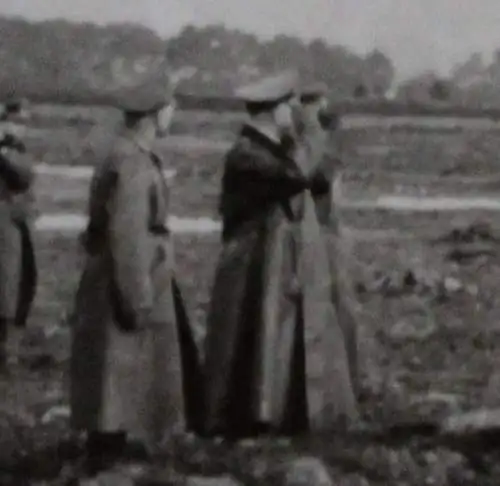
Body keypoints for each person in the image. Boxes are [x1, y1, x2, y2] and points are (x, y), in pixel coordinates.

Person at [203, 70, 359, 440]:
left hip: (271, 261)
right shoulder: (247, 154)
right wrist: (313, 133)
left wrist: (329, 144)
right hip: (249, 265)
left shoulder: (273, 148)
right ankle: (245, 420)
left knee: (273, 339)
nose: (295, 110)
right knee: (251, 342)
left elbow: (316, 178)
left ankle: (278, 415)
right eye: (289, 105)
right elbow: (294, 176)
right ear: (274, 110)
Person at [69, 58, 204, 471]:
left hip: (120, 277)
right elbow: (127, 237)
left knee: (119, 371)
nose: (173, 114)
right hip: (127, 281)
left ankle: (111, 448)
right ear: (155, 113)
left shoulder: (125, 154)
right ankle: (106, 457)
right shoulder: (133, 163)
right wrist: (137, 296)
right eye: (171, 107)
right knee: (119, 367)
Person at [297, 82, 360, 397]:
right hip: (322, 230)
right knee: (336, 306)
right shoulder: (314, 144)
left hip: (325, 232)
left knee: (338, 305)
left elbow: (318, 179)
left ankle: (348, 378)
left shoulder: (320, 146)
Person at [0, 99, 37, 373]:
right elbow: (21, 178)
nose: (20, 128)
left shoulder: (16, 150)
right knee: (8, 287)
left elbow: (25, 178)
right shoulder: (8, 151)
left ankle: (10, 348)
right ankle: (7, 352)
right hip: (6, 226)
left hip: (18, 223)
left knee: (23, 280)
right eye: (16, 121)